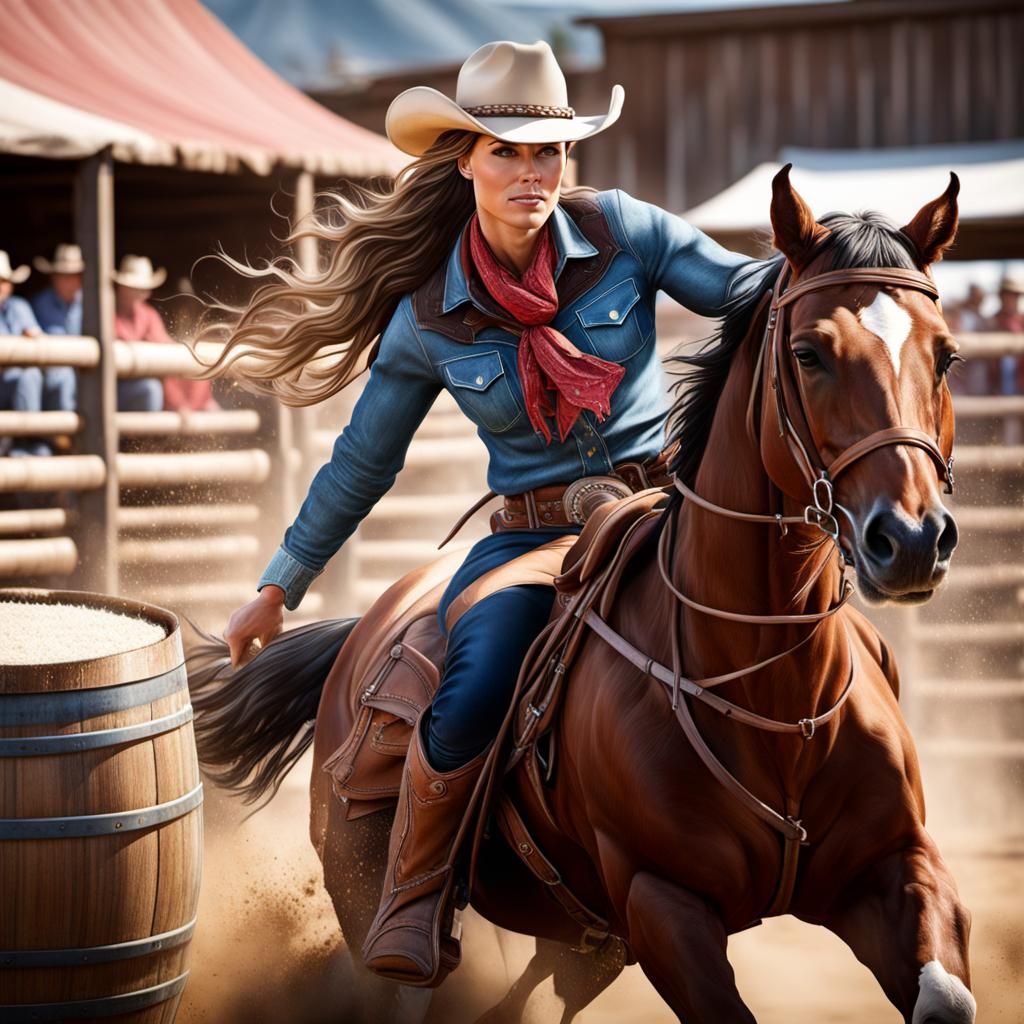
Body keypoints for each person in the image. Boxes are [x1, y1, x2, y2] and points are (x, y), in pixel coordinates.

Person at [214, 40, 769, 986]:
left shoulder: (628, 231)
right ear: (462, 159)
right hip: (532, 539)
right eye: (506, 151)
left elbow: (747, 288)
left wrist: (846, 273)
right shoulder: (430, 316)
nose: (531, 172)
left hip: (659, 507)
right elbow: (361, 464)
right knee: (472, 684)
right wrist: (279, 586)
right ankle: (417, 892)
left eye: (546, 152)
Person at [0, 250, 50, 457]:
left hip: (13, 390)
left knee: (29, 375)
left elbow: (39, 342)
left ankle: (29, 439)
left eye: (2, 280)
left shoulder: (17, 307)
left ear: (10, 284)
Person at [30, 243, 83, 423]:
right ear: (53, 277)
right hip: (52, 376)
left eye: (74, 275)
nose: (69, 281)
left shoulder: (92, 304)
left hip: (85, 374)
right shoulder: (39, 304)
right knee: (63, 376)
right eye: (63, 275)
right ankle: (60, 437)